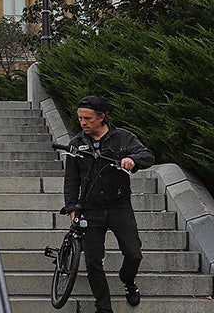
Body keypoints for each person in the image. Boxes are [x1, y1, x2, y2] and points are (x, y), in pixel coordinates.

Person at [62, 95, 155, 312]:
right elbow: (71, 180)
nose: (83, 123)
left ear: (102, 117)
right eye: (80, 118)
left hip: (119, 206)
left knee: (133, 253)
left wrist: (133, 161)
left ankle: (127, 279)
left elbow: (147, 155)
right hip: (89, 210)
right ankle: (103, 308)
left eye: (88, 118)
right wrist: (72, 208)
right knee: (93, 261)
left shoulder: (123, 138)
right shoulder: (76, 144)